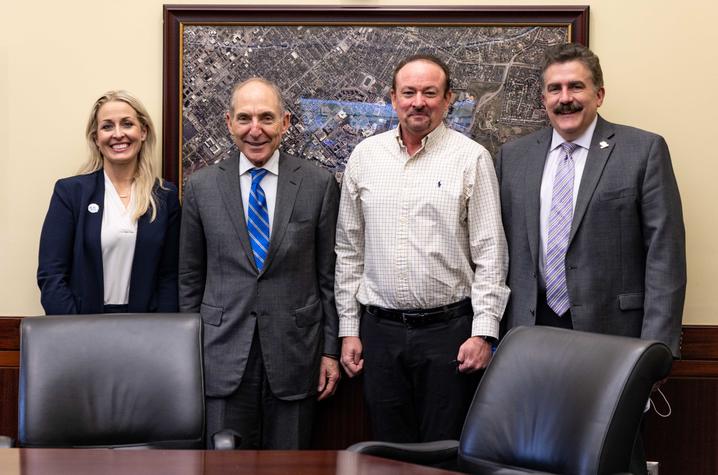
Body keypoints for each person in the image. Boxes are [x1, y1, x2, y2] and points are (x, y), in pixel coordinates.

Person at [495, 44, 686, 474]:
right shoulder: (514, 158)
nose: (565, 97)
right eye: (554, 88)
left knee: (614, 456)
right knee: (536, 451)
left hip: (615, 336)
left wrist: (659, 349)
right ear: (543, 98)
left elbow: (665, 255)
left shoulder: (643, 150)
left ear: (599, 94)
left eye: (576, 86)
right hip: (533, 331)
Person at [335, 54, 510, 442]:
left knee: (445, 451)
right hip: (379, 335)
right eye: (409, 92)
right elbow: (349, 251)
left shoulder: (472, 159)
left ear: (448, 99)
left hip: (449, 334)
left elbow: (490, 253)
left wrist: (483, 333)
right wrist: (349, 330)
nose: (419, 102)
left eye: (430, 93)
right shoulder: (365, 158)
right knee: (387, 451)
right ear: (392, 99)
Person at [179, 78, 341, 449]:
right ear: (228, 122)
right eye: (245, 118)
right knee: (222, 467)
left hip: (296, 355)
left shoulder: (317, 184)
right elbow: (189, 277)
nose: (256, 130)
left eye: (267, 118)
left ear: (285, 123)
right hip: (219, 355)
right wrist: (187, 353)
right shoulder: (201, 187)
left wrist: (330, 350)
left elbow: (329, 277)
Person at [38, 90, 180, 315]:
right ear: (96, 138)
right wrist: (73, 328)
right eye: (107, 126)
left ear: (143, 132)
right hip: (82, 329)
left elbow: (169, 277)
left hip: (147, 331)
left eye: (127, 124)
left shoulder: (165, 196)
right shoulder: (70, 193)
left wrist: (161, 330)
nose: (118, 134)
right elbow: (51, 274)